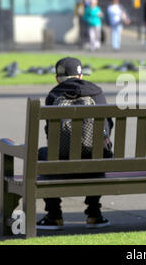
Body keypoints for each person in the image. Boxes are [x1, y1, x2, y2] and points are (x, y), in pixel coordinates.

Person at [36, 57, 113, 230]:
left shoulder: (54, 95)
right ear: (81, 75)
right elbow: (107, 129)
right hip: (96, 157)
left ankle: (54, 215)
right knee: (101, 151)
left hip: (62, 158)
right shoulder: (97, 92)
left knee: (42, 154)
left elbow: (51, 135)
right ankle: (94, 214)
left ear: (57, 78)